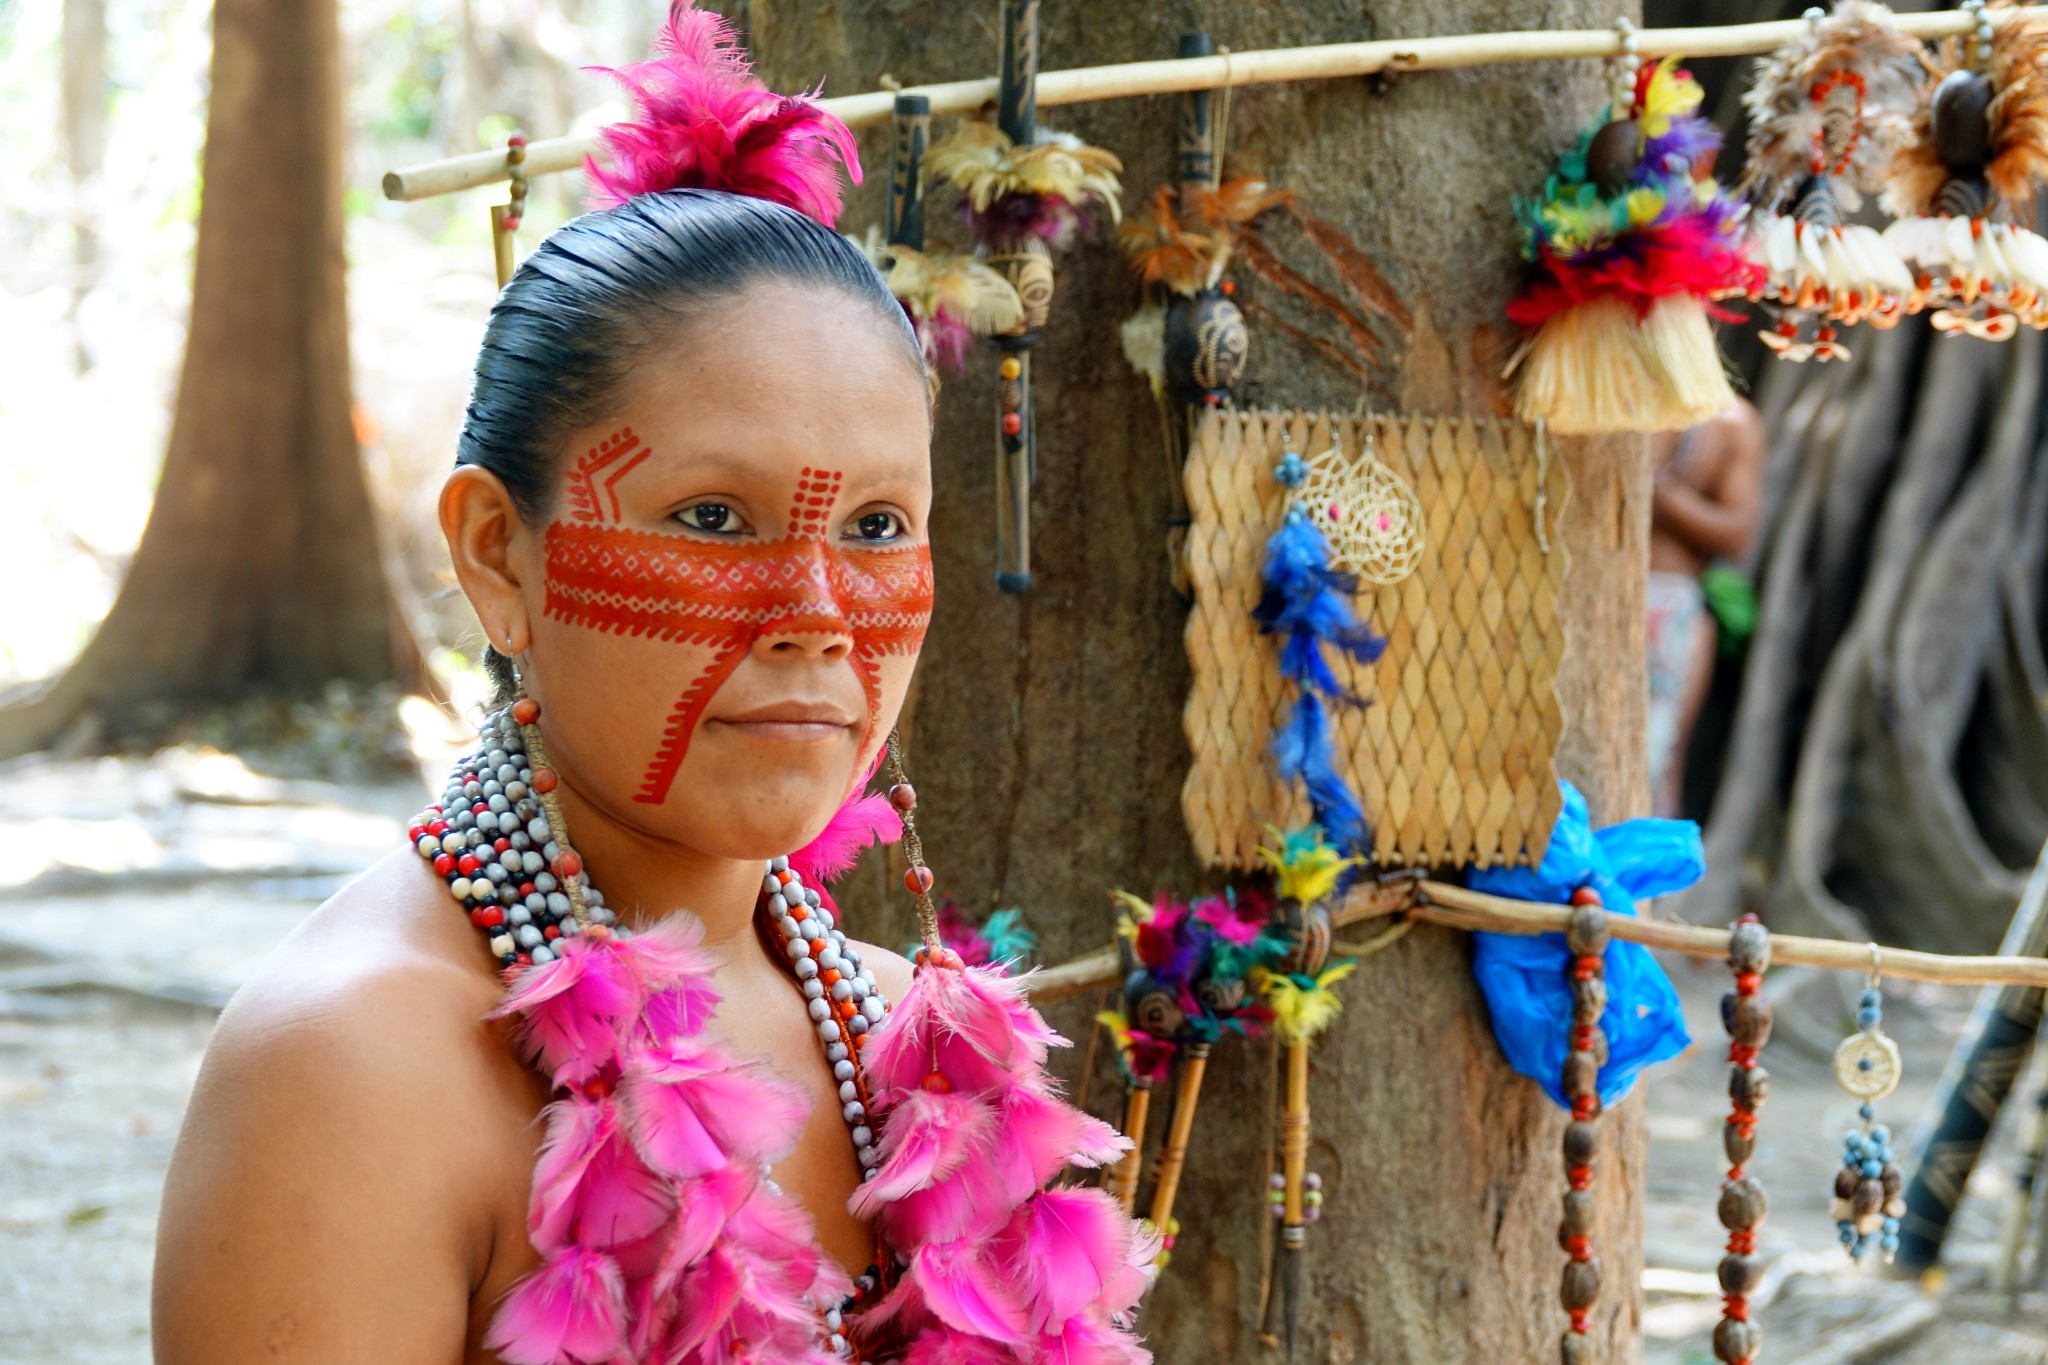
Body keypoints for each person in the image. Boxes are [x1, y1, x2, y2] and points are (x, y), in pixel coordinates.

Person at [151, 8, 1151, 1363]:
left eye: (871, 528)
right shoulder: (355, 1068)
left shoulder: (898, 1048)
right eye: (715, 521)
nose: (814, 617)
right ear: (499, 556)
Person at [1646, 399, 1765, 817]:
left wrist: (1659, 489)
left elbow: (1737, 533)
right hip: (1578, 594)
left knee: (1656, 755)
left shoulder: (1729, 423)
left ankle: (1644, 875)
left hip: (1667, 607)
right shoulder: (1598, 389)